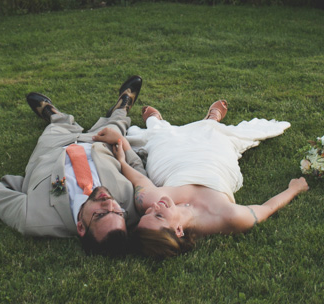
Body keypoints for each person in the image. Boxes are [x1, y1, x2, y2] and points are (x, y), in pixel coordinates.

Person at [0, 76, 148, 257]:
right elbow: (138, 171)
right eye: (117, 212)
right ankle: (122, 106)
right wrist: (122, 145)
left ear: (81, 227)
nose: (109, 203)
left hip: (54, 149)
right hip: (101, 146)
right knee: (117, 125)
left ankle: (53, 114)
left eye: (100, 214)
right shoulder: (132, 206)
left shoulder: (35, 219)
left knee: (57, 127)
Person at [104, 100, 308, 258]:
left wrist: (122, 159)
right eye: (158, 216)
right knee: (214, 138)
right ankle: (211, 121)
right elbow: (267, 208)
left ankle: (156, 122)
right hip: (214, 165)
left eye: (148, 212)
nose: (154, 207)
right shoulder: (228, 218)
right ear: (178, 230)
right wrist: (294, 189)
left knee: (162, 140)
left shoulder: (150, 202)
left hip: (173, 164)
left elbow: (139, 179)